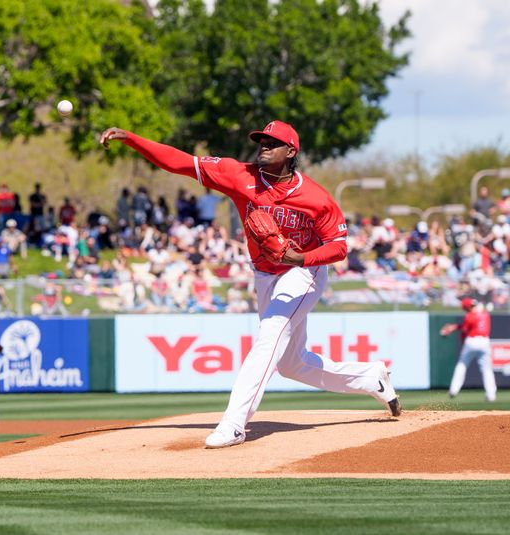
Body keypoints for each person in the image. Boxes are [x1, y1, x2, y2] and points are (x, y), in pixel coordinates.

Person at [100, 120, 401, 449]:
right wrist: (132, 139)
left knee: (270, 334)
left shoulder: (316, 197)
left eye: (273, 143)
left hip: (305, 272)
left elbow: (339, 246)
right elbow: (180, 162)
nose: (264, 146)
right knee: (291, 364)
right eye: (261, 141)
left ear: (291, 152)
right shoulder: (238, 175)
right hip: (264, 273)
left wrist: (301, 259)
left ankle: (234, 424)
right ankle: (371, 377)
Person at [440, 298, 497, 402]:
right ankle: (491, 395)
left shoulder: (469, 316)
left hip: (472, 340)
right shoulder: (485, 313)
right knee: (487, 369)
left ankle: (453, 390)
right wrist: (454, 327)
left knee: (462, 365)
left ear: (467, 307)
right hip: (485, 341)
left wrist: (453, 329)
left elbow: (465, 330)